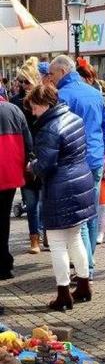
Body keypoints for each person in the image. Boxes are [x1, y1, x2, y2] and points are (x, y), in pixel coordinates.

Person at [26, 84, 95, 310]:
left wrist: (31, 166)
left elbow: (46, 165)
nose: (33, 112)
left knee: (57, 244)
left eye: (34, 107)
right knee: (75, 238)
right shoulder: (74, 118)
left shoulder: (49, 128)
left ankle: (63, 294)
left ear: (44, 104)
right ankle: (84, 285)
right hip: (81, 181)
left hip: (60, 188)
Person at [49, 55, 105, 280]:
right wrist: (101, 151)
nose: (51, 78)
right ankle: (88, 263)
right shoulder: (95, 93)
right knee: (91, 214)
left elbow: (59, 132)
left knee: (80, 219)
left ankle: (87, 269)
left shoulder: (62, 96)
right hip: (95, 160)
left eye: (53, 74)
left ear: (63, 71)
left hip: (75, 163)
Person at [12, 57, 42, 254]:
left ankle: (48, 234)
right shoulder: (15, 103)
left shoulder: (45, 98)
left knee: (46, 201)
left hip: (46, 155)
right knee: (31, 202)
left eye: (26, 81)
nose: (23, 85)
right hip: (26, 159)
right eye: (20, 81)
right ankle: (34, 238)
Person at [0, 100, 32, 279]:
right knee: (4, 218)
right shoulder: (14, 110)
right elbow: (28, 142)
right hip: (10, 173)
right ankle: (4, 264)